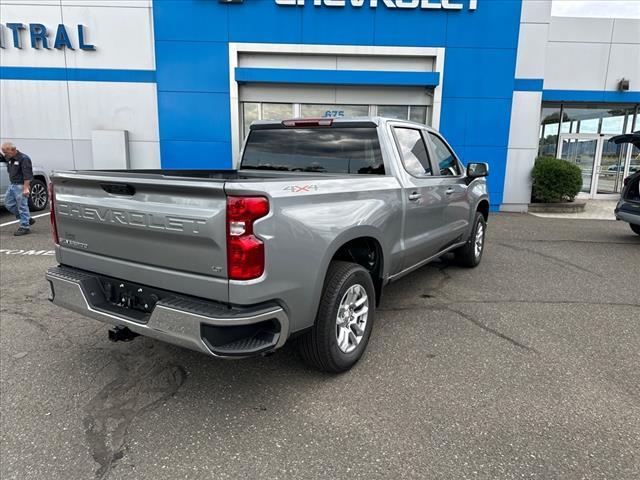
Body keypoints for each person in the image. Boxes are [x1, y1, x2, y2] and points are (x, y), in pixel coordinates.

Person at [1, 142, 35, 236]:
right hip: (12, 185)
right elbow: (4, 157)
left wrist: (25, 188)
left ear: (12, 149)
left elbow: (27, 175)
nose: (5, 154)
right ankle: (27, 218)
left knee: (22, 206)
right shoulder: (9, 157)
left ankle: (25, 227)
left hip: (21, 185)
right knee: (8, 204)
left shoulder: (24, 159)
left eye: (5, 152)